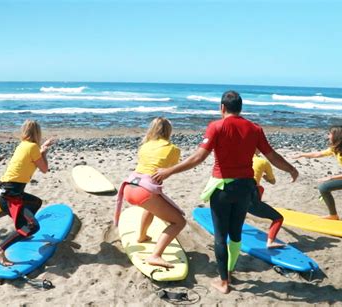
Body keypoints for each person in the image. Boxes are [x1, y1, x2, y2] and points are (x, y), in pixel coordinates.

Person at [152, 91, 298, 294]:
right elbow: (271, 155)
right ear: (240, 108)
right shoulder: (255, 128)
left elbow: (198, 157)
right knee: (236, 234)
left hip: (223, 188)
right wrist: (291, 169)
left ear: (222, 108)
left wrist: (169, 171)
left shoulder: (216, 126)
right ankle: (229, 271)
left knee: (220, 237)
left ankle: (223, 282)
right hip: (246, 188)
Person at [115, 117, 186, 268]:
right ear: (169, 131)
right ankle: (155, 255)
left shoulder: (144, 146)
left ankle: (142, 236)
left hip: (129, 187)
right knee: (179, 222)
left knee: (151, 207)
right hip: (145, 191)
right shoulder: (173, 149)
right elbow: (171, 167)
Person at [0, 119, 55, 266]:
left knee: (36, 202)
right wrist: (44, 152)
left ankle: (21, 231)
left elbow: (33, 157)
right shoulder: (32, 147)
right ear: (37, 133)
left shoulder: (23, 145)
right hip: (10, 196)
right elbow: (44, 169)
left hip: (7, 192)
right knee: (33, 226)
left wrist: (42, 148)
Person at [292, 125, 342, 220]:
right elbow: (318, 154)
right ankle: (333, 215)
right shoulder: (335, 149)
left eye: (330, 134)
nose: (328, 136)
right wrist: (301, 154)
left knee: (324, 186)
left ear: (337, 136)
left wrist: (331, 178)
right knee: (324, 188)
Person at [248, 150, 285, 248]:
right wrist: (266, 178)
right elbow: (273, 181)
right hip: (251, 197)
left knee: (260, 188)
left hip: (235, 194)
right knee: (278, 218)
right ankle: (270, 242)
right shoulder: (262, 162)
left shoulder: (239, 158)